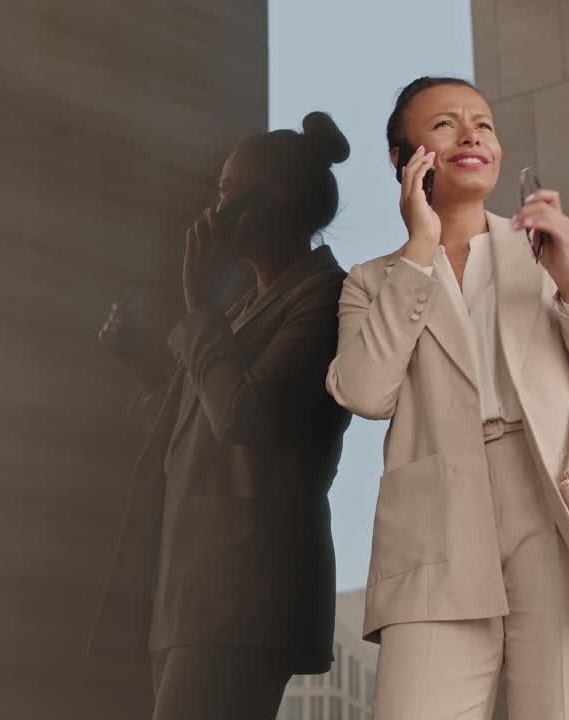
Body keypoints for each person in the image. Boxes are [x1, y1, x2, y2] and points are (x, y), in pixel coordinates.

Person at [325, 77, 569, 720]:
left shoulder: (558, 247)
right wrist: (419, 250)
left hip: (566, 509)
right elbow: (366, 393)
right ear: (403, 158)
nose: (471, 135)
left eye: (482, 123)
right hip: (437, 519)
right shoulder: (374, 281)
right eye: (445, 124)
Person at [89, 112, 354, 720]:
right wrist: (143, 365)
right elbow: (197, 434)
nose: (214, 209)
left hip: (247, 589)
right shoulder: (243, 309)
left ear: (273, 199)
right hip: (192, 588)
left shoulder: (325, 296)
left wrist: (198, 306)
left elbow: (243, 419)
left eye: (227, 190)